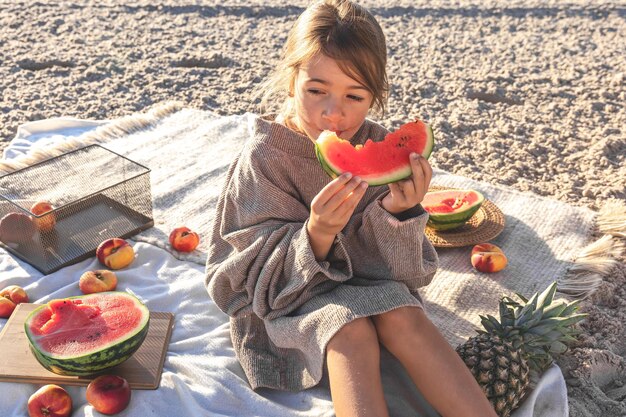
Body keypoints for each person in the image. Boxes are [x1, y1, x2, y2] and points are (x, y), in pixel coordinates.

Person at [205, 1, 497, 416]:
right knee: (350, 329)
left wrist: (397, 213)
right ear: (291, 81)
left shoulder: (376, 144)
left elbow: (408, 275)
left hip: (367, 281)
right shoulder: (265, 156)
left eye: (354, 96)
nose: (333, 114)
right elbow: (243, 277)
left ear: (375, 97)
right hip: (286, 296)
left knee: (404, 314)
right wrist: (317, 233)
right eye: (316, 90)